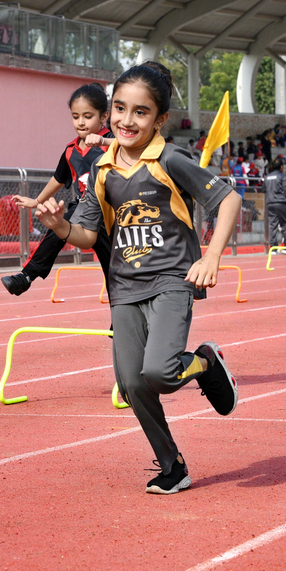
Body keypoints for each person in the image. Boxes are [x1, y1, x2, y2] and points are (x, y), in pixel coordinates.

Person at [32, 62, 242, 494]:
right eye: (120, 110)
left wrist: (213, 256)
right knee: (131, 383)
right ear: (110, 112)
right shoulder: (104, 170)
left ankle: (204, 361)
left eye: (141, 112)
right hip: (124, 286)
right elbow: (87, 233)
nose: (127, 120)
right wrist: (58, 227)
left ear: (160, 119)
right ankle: (173, 466)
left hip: (172, 278)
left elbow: (229, 199)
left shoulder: (170, 158)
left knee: (161, 373)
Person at [2, 83, 114, 296]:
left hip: (110, 216)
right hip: (84, 210)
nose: (80, 122)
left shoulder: (113, 143)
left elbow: (133, 148)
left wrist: (104, 140)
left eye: (88, 116)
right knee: (58, 226)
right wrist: (36, 201)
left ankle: (119, 327)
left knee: (115, 276)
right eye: (75, 116)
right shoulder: (71, 150)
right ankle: (27, 275)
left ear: (103, 117)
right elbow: (58, 178)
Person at [264, 157, 286, 253]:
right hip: (281, 202)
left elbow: (264, 189)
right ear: (281, 167)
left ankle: (273, 248)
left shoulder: (267, 177)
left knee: (273, 225)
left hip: (270, 202)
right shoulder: (282, 176)